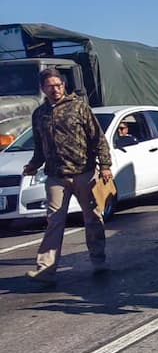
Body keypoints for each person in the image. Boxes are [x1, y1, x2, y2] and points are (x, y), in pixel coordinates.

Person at [22, 68, 113, 282]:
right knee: (54, 221)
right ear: (43, 89)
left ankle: (99, 260)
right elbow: (39, 146)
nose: (55, 89)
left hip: (84, 173)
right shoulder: (40, 114)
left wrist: (105, 165)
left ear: (64, 85)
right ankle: (45, 269)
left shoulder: (79, 108)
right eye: (50, 86)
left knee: (92, 219)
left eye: (58, 85)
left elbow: (98, 139)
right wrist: (34, 165)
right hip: (56, 176)